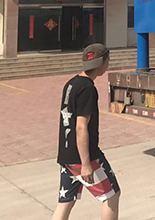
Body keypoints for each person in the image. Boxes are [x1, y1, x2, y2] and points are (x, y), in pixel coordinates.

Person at [52, 43, 120, 220]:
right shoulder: (88, 89)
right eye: (107, 60)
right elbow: (81, 126)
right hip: (83, 156)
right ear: (100, 64)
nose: (108, 64)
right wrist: (86, 163)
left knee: (66, 201)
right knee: (111, 195)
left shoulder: (71, 84)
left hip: (67, 155)